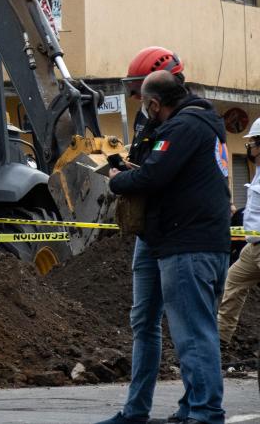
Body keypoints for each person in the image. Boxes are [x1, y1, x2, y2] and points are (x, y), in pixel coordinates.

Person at [99, 71, 231, 424]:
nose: (141, 110)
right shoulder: (181, 127)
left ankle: (205, 412)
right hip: (168, 238)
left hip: (187, 243)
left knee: (192, 331)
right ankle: (147, 409)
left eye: (143, 103)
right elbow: (155, 167)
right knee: (154, 323)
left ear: (155, 103)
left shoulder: (185, 126)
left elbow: (152, 176)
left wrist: (117, 181)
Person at [99, 48, 189, 424]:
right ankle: (136, 409)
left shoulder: (185, 124)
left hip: (177, 236)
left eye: (142, 91)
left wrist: (129, 179)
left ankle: (195, 406)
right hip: (147, 234)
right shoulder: (146, 119)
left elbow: (159, 174)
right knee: (143, 323)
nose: (139, 100)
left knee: (186, 325)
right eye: (135, 90)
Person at [217, 118, 260, 345]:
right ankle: (220, 339)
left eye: (253, 142)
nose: (250, 147)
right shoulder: (258, 172)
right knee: (233, 283)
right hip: (253, 247)